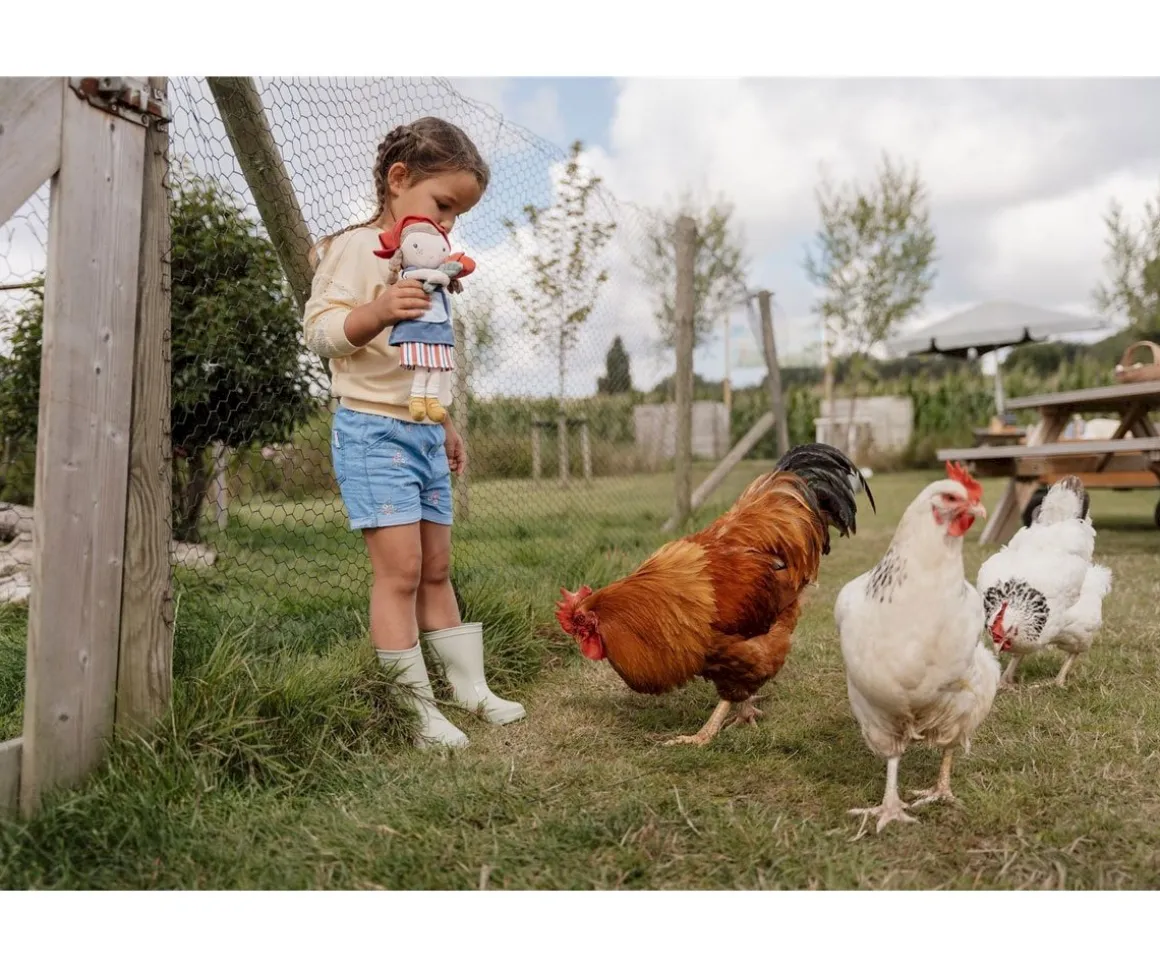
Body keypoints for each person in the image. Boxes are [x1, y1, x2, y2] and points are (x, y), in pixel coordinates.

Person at [303, 117, 525, 748]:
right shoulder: (357, 249)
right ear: (399, 181)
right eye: (443, 204)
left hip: (422, 431)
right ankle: (416, 710)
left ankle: (469, 690)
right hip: (373, 430)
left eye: (458, 214)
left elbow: (421, 358)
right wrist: (377, 310)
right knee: (398, 571)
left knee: (436, 567)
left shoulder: (428, 263)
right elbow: (319, 331)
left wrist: (446, 422)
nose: (449, 223)